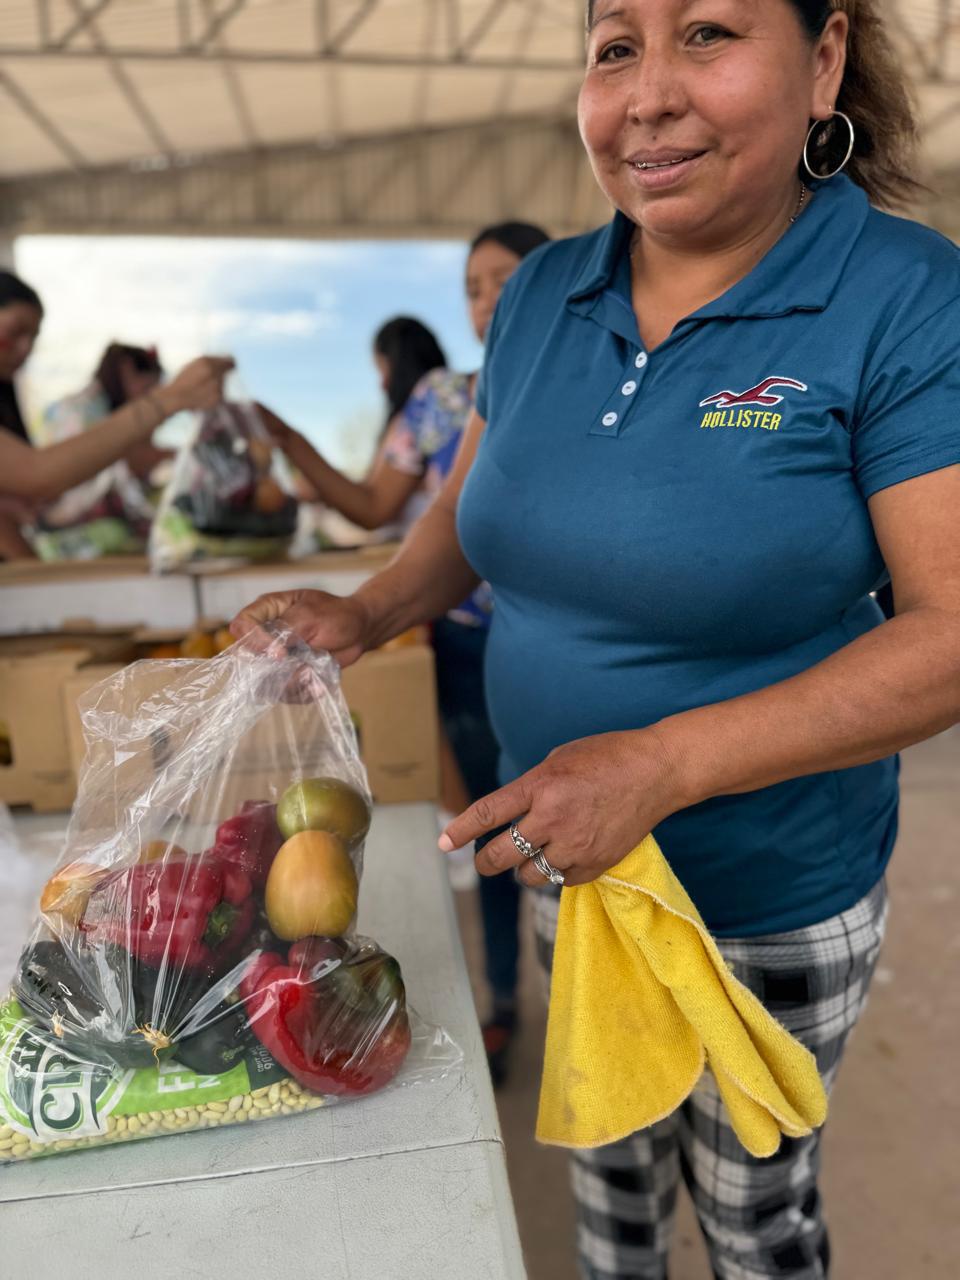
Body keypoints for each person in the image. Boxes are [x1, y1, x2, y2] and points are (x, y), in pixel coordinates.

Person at [235, 2, 960, 1272]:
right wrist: (370, 608)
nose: (649, 94)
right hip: (568, 865)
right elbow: (471, 504)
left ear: (825, 59)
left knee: (754, 1218)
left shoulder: (904, 295)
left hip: (766, 895)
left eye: (710, 34)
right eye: (616, 46)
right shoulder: (540, 298)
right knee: (610, 1193)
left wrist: (664, 762)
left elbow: (949, 632)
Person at [259, 223, 551, 1086]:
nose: (488, 298)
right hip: (467, 647)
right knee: (500, 833)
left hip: (562, 645)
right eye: (473, 285)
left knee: (588, 829)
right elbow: (368, 501)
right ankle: (505, 1000)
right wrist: (288, 436)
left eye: (509, 278)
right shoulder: (442, 399)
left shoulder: (590, 381)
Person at [0, 269, 234, 557]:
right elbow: (39, 476)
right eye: (16, 331)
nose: (26, 349)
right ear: (124, 370)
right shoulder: (78, 410)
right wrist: (171, 399)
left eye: (33, 337)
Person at [34, 342, 175, 558]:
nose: (148, 397)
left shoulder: (101, 410)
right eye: (147, 389)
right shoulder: (82, 409)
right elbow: (113, 471)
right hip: (65, 535)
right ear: (126, 370)